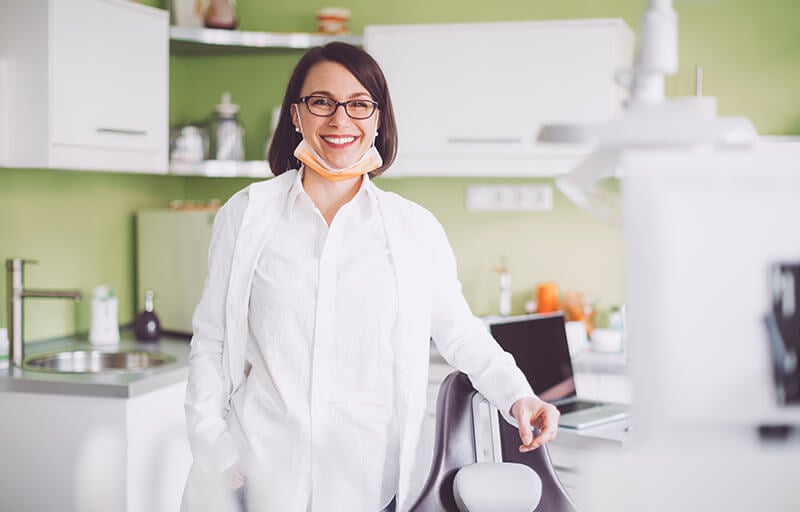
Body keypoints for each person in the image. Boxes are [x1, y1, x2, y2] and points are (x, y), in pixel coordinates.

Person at [181, 42, 559, 512]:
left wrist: (519, 396)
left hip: (365, 486)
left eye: (359, 104)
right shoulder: (246, 216)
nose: (340, 120)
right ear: (296, 116)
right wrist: (213, 445)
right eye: (321, 102)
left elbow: (461, 335)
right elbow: (212, 342)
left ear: (378, 119)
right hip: (256, 479)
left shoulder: (413, 229)